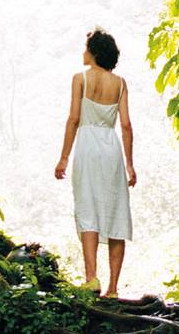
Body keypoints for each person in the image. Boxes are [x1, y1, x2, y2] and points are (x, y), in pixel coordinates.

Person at [54, 29, 135, 298]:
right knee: (116, 213)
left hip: (87, 146)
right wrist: (130, 165)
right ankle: (113, 289)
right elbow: (125, 125)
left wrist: (64, 156)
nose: (83, 52)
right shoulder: (121, 84)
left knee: (87, 208)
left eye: (86, 47)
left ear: (95, 52)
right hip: (111, 149)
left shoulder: (80, 79)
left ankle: (91, 278)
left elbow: (73, 119)